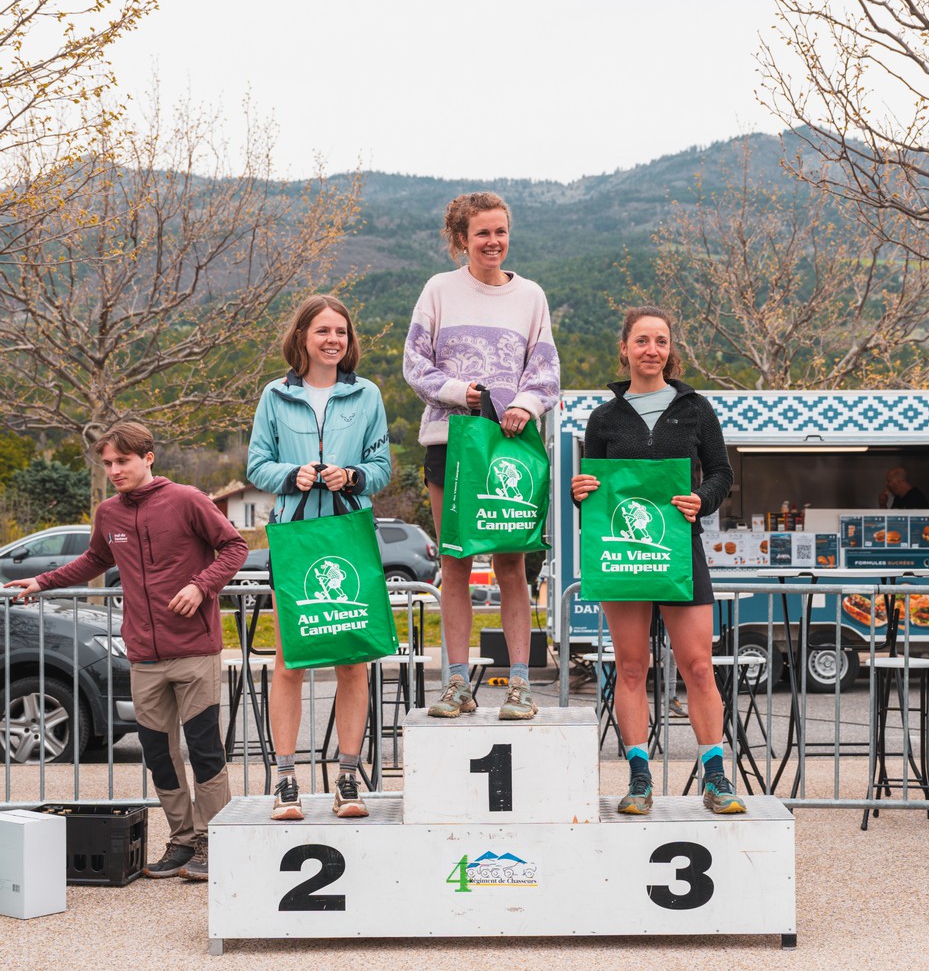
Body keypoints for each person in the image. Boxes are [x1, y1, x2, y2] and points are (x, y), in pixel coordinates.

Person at [3, 421, 248, 880]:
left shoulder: (188, 500)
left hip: (194, 649)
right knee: (158, 753)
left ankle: (213, 842)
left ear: (148, 457)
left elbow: (234, 547)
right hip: (143, 655)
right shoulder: (109, 513)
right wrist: (43, 581)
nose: (114, 470)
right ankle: (182, 841)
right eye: (108, 463)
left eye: (123, 461)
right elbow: (94, 560)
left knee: (204, 750)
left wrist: (201, 586)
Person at [571, 304, 745, 816]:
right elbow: (596, 495)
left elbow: (721, 473)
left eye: (661, 341)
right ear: (624, 348)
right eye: (642, 341)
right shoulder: (603, 418)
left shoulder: (696, 408)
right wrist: (582, 493)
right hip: (621, 554)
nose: (652, 350)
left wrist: (702, 500)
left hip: (681, 552)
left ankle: (716, 777)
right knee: (630, 668)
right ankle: (639, 778)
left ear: (671, 350)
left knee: (698, 666)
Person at [403, 191, 560, 720]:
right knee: (455, 562)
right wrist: (459, 393)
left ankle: (519, 686)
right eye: (482, 233)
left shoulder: (531, 296)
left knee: (511, 564)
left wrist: (523, 405)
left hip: (508, 447)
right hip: (450, 443)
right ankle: (456, 685)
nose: (493, 242)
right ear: (461, 239)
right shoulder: (438, 290)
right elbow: (415, 364)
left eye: (500, 231)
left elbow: (546, 371)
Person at [248, 294, 391, 821]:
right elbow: (256, 465)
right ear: (302, 338)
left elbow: (382, 466)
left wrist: (351, 476)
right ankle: (286, 780)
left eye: (341, 332)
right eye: (323, 331)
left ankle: (348, 779)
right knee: (290, 661)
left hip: (350, 535)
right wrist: (293, 474)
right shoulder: (274, 395)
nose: (333, 340)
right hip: (295, 538)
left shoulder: (367, 394)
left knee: (352, 660)